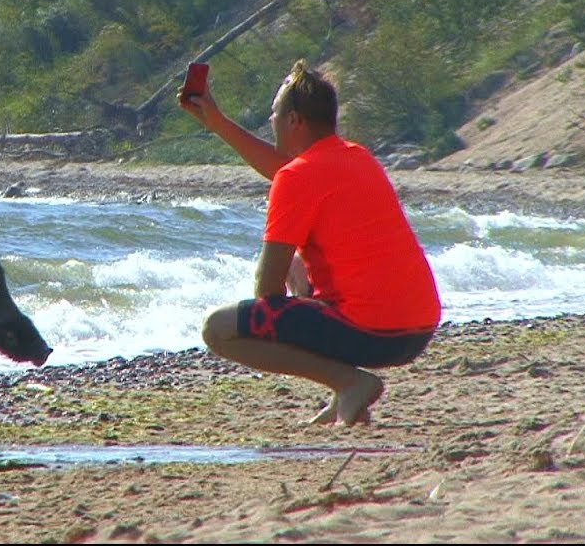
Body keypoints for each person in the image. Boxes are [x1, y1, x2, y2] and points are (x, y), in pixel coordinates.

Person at [179, 59, 442, 426]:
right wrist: (217, 122)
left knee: (218, 328)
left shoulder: (297, 177)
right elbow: (287, 170)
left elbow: (267, 291)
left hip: (373, 333)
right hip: (418, 328)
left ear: (293, 121)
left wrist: (293, 286)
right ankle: (346, 392)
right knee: (307, 269)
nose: (270, 122)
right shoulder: (357, 157)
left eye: (274, 114)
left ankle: (349, 381)